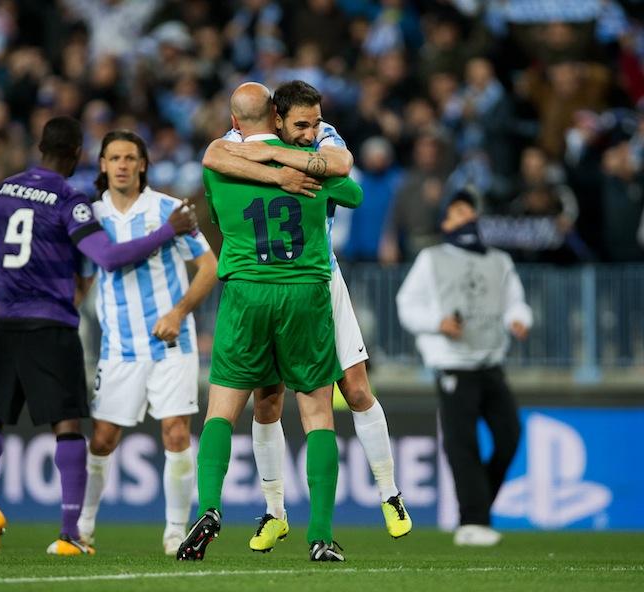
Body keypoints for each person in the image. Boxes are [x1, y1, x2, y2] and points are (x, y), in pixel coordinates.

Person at [0, 116, 197, 556]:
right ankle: (72, 531)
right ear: (78, 155)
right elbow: (107, 257)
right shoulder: (71, 200)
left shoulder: (3, 191)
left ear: (39, 147)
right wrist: (168, 232)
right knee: (69, 426)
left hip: (2, 319)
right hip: (50, 321)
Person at [202, 80, 410, 552]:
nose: (311, 132)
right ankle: (275, 513)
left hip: (322, 275)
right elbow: (214, 154)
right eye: (302, 125)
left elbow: (342, 167)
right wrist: (278, 169)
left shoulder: (321, 136)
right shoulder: (235, 142)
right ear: (276, 119)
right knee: (268, 401)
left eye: (316, 122)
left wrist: (277, 158)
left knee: (355, 388)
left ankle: (390, 493)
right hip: (288, 281)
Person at [177, 82, 363, 563]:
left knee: (221, 410)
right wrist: (291, 167)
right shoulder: (305, 159)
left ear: (236, 121)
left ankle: (211, 509)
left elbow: (213, 165)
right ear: (278, 118)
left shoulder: (220, 163)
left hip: (244, 292)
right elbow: (354, 192)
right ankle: (320, 535)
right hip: (304, 291)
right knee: (318, 414)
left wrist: (260, 167)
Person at [76, 130, 218, 556]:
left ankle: (175, 532)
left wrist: (178, 313)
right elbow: (84, 276)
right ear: (102, 164)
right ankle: (81, 529)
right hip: (118, 348)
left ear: (142, 164)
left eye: (129, 157)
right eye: (113, 157)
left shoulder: (169, 209)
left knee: (176, 433)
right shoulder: (90, 215)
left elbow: (209, 267)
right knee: (102, 439)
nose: (121, 164)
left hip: (172, 345)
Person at [396, 190, 532, 547]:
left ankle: (477, 510)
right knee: (463, 444)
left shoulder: (500, 260)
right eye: (458, 212)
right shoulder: (432, 258)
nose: (466, 218)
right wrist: (437, 323)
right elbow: (406, 305)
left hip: (491, 361)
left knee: (510, 436)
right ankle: (473, 521)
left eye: (470, 212)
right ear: (446, 223)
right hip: (453, 364)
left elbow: (515, 302)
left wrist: (519, 320)